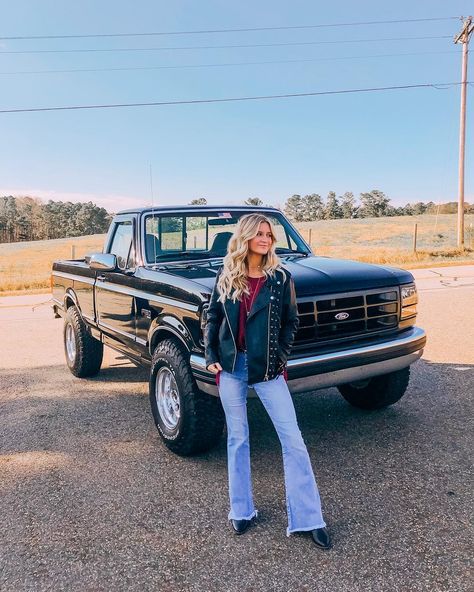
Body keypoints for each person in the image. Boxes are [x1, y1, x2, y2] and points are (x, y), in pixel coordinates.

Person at [204, 213, 331, 550]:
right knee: (238, 439)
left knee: (293, 440)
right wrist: (210, 353)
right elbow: (212, 316)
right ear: (245, 237)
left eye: (269, 235)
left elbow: (292, 321)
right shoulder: (227, 274)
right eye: (259, 234)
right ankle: (241, 511)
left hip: (268, 370)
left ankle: (308, 518)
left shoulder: (279, 277)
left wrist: (280, 357)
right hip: (231, 367)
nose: (265, 239)